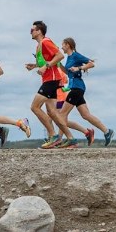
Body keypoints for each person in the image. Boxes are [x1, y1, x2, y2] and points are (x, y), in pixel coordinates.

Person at [24, 21, 75, 149]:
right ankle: (70, 138)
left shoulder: (46, 42)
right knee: (52, 112)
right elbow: (47, 61)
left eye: (32, 30)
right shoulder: (39, 46)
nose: (31, 32)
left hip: (52, 80)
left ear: (39, 31)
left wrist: (46, 66)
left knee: (34, 107)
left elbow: (60, 56)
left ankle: (53, 136)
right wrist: (35, 66)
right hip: (48, 79)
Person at [59, 37, 114, 147]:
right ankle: (107, 131)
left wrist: (79, 68)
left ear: (68, 45)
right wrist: (58, 63)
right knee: (86, 115)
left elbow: (91, 64)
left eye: (63, 45)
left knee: (62, 115)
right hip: (77, 88)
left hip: (77, 88)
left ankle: (59, 139)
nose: (61, 47)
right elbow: (67, 72)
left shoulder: (76, 56)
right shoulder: (68, 58)